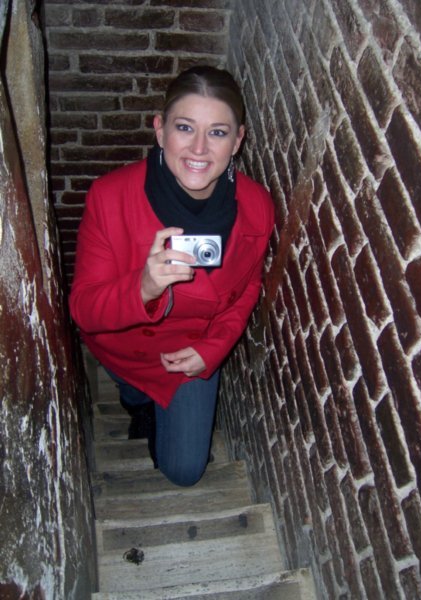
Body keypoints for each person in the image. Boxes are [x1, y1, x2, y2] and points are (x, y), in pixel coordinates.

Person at [69, 66, 274, 487]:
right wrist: (143, 286)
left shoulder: (257, 205)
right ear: (160, 130)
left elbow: (248, 287)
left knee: (182, 471)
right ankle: (137, 403)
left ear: (238, 140)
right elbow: (84, 310)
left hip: (190, 354)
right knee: (133, 390)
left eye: (218, 132)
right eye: (185, 127)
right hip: (126, 345)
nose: (199, 148)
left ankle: (152, 407)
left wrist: (213, 349)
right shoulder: (110, 197)